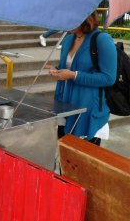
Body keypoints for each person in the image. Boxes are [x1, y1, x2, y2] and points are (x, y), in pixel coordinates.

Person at [45, 11, 117, 145]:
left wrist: (74, 75)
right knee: (63, 157)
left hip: (87, 109)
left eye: (69, 20)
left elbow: (109, 78)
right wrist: (57, 70)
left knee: (83, 160)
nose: (65, 24)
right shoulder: (68, 40)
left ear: (85, 18)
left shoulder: (102, 40)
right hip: (64, 105)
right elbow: (70, 66)